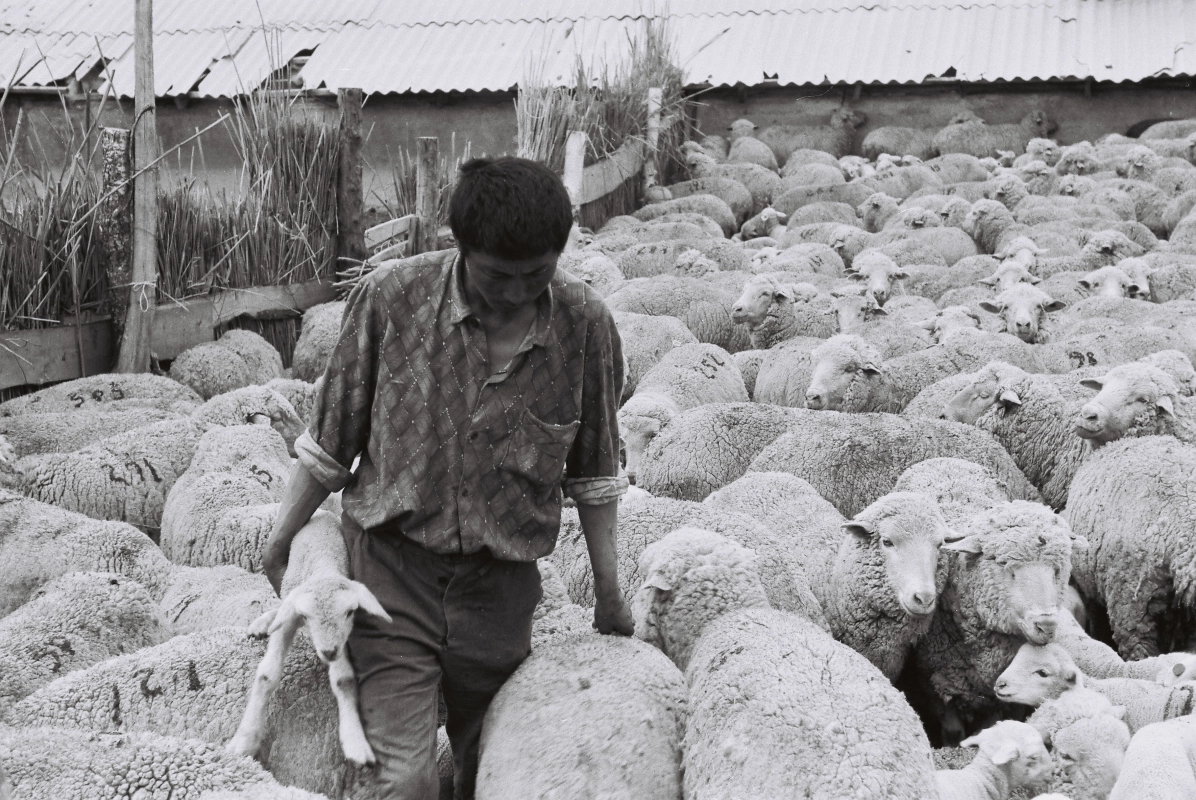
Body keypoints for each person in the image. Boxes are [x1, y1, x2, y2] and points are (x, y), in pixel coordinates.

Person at [261, 156, 633, 799]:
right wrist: (281, 537)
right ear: (458, 246)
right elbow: (330, 441)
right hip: (390, 574)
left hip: (501, 588)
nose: (517, 293)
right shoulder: (389, 298)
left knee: (491, 770)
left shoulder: (585, 323)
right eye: (497, 276)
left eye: (536, 274)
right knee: (401, 780)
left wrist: (609, 589)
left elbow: (595, 470)